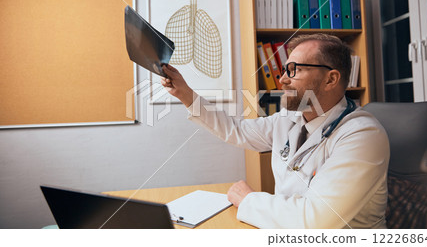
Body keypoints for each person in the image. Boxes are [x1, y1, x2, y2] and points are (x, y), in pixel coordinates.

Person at [160, 33, 390, 229]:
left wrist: (249, 200)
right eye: (284, 70)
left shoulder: (362, 136)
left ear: (331, 79)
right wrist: (185, 94)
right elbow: (236, 130)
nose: (281, 80)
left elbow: (316, 220)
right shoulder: (289, 119)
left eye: (294, 70)